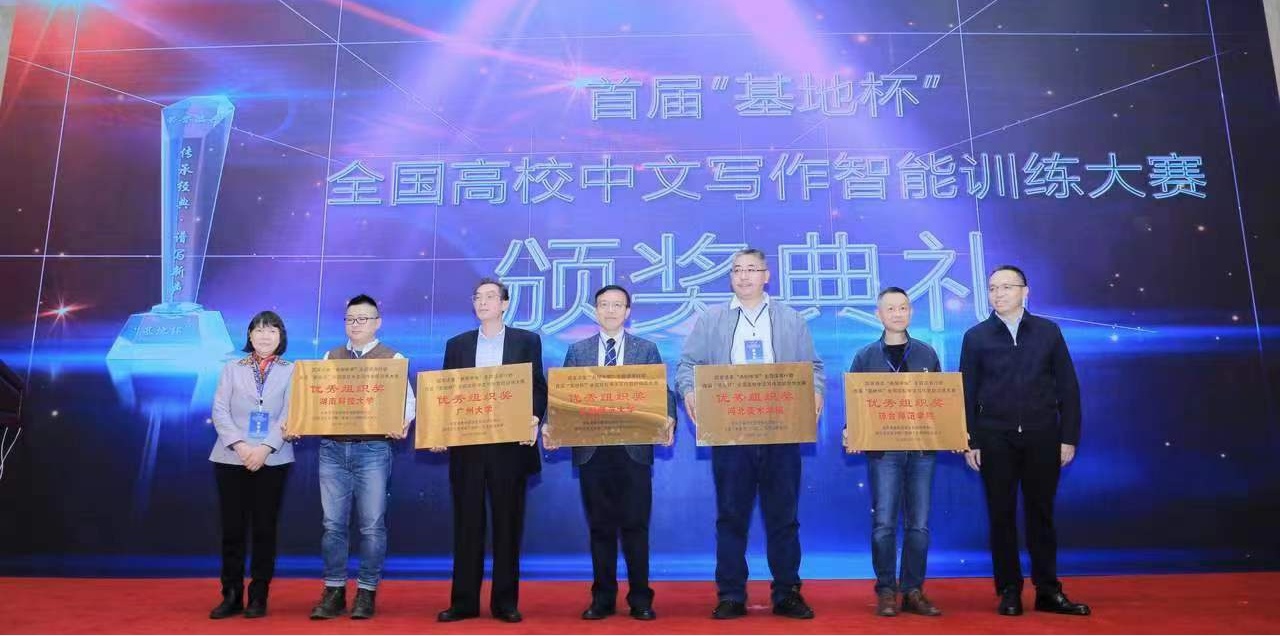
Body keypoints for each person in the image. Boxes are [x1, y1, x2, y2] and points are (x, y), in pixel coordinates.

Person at [675, 248, 824, 620]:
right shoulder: (711, 319)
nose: (744, 276)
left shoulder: (791, 319)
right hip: (730, 433)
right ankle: (731, 595)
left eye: (752, 269)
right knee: (731, 517)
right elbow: (688, 365)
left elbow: (813, 367)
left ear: (766, 275)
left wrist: (816, 391)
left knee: (783, 517)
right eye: (737, 270)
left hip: (781, 430)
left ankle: (787, 593)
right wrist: (689, 390)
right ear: (730, 277)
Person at [960, 265, 1090, 617]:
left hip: (1042, 436)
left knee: (1041, 515)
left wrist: (1068, 437)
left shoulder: (1048, 331)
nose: (998, 294)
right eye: (992, 288)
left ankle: (1048, 590)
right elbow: (966, 392)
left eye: (1006, 287)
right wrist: (971, 440)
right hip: (994, 438)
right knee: (1001, 516)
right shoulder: (976, 337)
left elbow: (1068, 388)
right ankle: (1009, 590)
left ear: (1025, 291)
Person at [542, 284, 676, 622]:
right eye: (604, 305)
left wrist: (669, 417)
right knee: (600, 527)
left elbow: (662, 392)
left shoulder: (646, 349)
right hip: (593, 452)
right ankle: (602, 599)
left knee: (635, 527)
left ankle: (640, 598)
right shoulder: (578, 351)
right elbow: (562, 397)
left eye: (618, 305)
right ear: (595, 310)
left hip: (633, 451)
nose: (611, 310)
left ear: (628, 312)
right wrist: (551, 426)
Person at [435, 278, 546, 624]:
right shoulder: (457, 344)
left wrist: (533, 416)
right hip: (468, 447)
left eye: (490, 297)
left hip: (509, 448)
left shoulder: (526, 341)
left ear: (504, 304)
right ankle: (464, 602)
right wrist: (439, 429)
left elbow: (537, 387)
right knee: (467, 526)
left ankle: (505, 603)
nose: (482, 302)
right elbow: (445, 393)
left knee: (507, 527)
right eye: (477, 297)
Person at [303, 294, 415, 620]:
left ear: (377, 323)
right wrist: (301, 418)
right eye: (350, 319)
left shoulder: (393, 358)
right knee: (332, 525)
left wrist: (402, 422)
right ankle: (334, 590)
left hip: (373, 450)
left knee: (372, 526)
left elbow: (407, 403)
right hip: (333, 450)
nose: (356, 325)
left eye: (363, 319)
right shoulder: (331, 356)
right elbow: (316, 399)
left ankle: (366, 591)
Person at [845, 287, 943, 617]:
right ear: (879, 315)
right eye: (891, 308)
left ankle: (913, 590)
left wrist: (953, 430)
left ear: (911, 312)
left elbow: (940, 402)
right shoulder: (865, 357)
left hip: (922, 450)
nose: (898, 314)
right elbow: (856, 404)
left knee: (919, 524)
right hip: (884, 451)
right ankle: (886, 590)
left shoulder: (927, 354)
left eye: (903, 307)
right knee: (884, 523)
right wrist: (851, 430)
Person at [208, 311, 295, 619]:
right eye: (258, 330)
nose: (264, 336)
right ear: (249, 335)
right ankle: (231, 594)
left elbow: (291, 413)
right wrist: (242, 446)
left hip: (273, 458)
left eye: (271, 330)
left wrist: (265, 448)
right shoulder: (232, 368)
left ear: (281, 336)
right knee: (232, 530)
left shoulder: (293, 370)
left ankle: (259, 595)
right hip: (231, 457)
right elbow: (219, 410)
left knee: (264, 529)